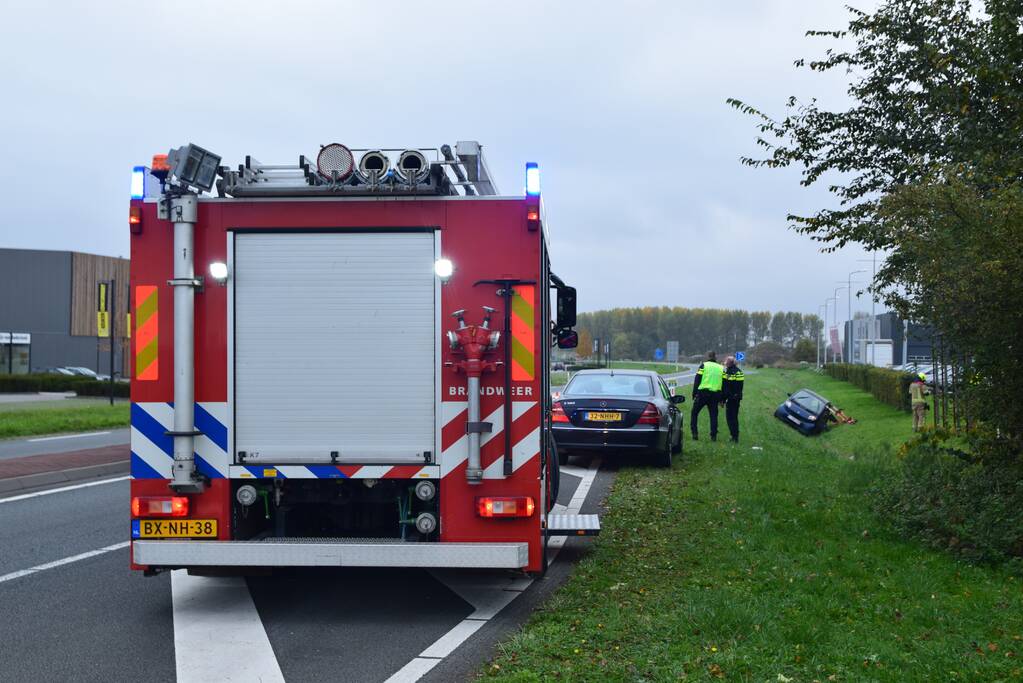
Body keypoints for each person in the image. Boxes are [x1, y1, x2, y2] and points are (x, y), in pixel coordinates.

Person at [690, 351, 725, 441]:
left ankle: (694, 433)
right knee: (713, 415)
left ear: (708, 357)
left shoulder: (704, 365)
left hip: (703, 393)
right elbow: (724, 384)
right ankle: (713, 436)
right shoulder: (721, 368)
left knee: (694, 413)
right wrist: (722, 398)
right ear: (715, 357)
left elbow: (697, 380)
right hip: (715, 394)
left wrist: (694, 393)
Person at [721, 355, 744, 442]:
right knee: (734, 417)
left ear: (729, 363)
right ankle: (735, 435)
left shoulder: (728, 372)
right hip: (737, 398)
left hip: (730, 398)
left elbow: (725, 387)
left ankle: (733, 436)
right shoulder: (739, 372)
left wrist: (723, 400)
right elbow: (740, 386)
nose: (725, 363)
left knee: (730, 418)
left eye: (726, 361)